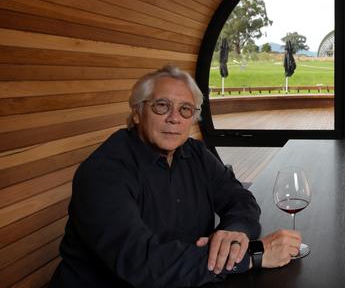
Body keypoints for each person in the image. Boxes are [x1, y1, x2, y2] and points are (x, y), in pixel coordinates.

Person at [50, 65, 301, 287]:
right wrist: (252, 256)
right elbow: (142, 264)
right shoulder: (104, 172)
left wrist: (233, 234)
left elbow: (240, 200)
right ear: (137, 112)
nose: (174, 118)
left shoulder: (195, 153)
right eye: (162, 106)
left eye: (185, 110)